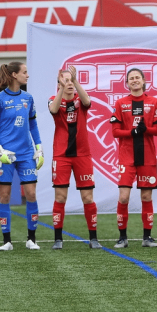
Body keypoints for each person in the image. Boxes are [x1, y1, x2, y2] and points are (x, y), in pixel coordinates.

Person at [0, 62, 44, 251]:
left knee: (31, 194)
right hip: (6, 155)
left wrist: (39, 147)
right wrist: (0, 150)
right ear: (14, 75)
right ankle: (7, 241)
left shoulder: (28, 98)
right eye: (25, 72)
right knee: (4, 196)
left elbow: (33, 125)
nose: (27, 75)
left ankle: (32, 239)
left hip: (26, 153)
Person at [109, 68, 157, 248]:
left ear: (143, 80)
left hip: (147, 156)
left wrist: (144, 129)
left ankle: (147, 238)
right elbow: (115, 132)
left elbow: (156, 130)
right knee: (123, 197)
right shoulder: (120, 103)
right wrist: (133, 132)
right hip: (127, 157)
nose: (134, 80)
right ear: (127, 83)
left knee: (146, 197)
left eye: (137, 77)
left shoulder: (153, 102)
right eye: (131, 78)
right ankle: (122, 237)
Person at [48, 66, 101, 249]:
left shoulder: (81, 100)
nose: (69, 83)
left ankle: (93, 238)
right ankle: (58, 239)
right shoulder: (54, 100)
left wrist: (75, 81)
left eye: (71, 80)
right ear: (59, 84)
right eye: (65, 80)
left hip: (82, 155)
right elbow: (54, 110)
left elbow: (87, 101)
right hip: (61, 156)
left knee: (87, 197)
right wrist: (61, 89)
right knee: (61, 197)